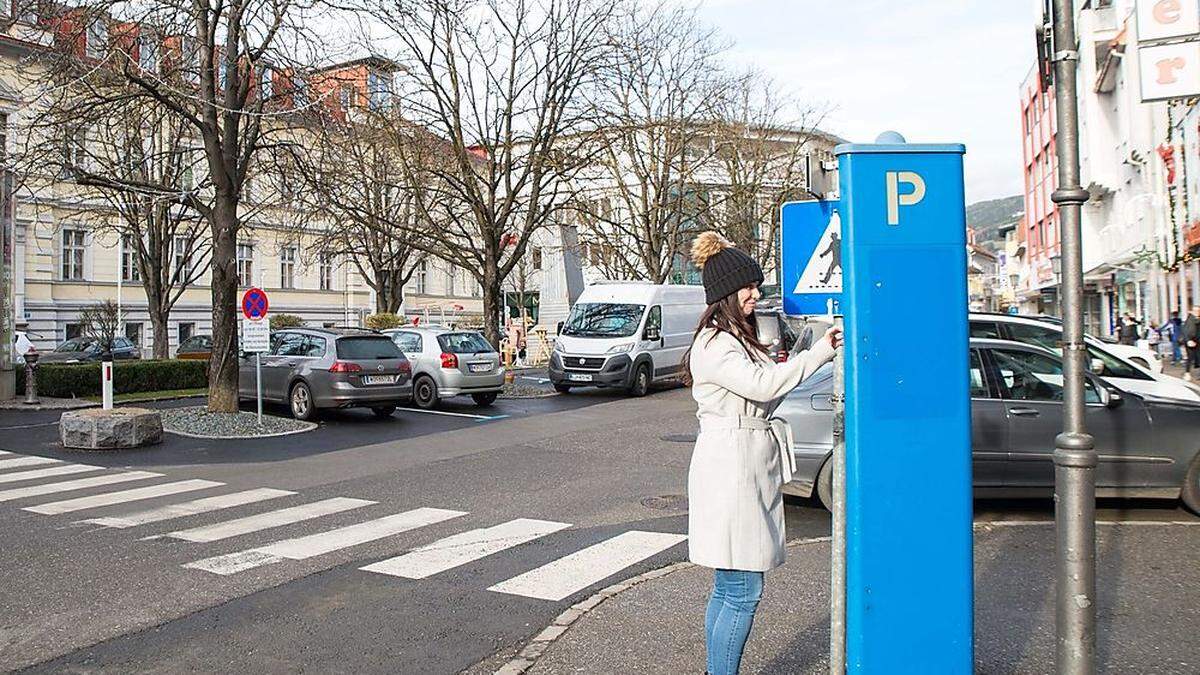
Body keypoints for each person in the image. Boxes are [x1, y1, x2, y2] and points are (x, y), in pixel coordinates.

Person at [681, 231, 840, 675]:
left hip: (740, 462)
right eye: (749, 286)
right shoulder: (715, 344)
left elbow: (770, 390)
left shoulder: (734, 339)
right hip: (732, 468)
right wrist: (823, 352)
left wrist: (812, 354)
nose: (756, 293)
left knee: (729, 585)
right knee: (743, 588)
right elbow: (764, 386)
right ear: (727, 293)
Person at [1183, 306, 1200, 380]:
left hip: (1198, 341)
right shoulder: (1190, 319)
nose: (1197, 312)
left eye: (1198, 311)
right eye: (1195, 311)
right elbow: (1185, 331)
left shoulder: (1198, 319)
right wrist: (1188, 340)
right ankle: (1187, 373)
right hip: (1191, 341)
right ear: (1192, 311)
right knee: (1190, 358)